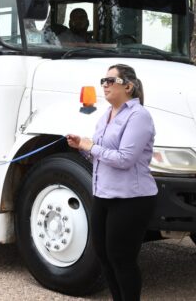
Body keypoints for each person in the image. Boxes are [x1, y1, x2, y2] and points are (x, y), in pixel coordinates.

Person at [66, 64, 157, 301]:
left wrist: (91, 146)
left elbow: (125, 159)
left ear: (128, 86)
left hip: (132, 198)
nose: (104, 85)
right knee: (104, 256)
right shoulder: (105, 115)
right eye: (103, 81)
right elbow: (100, 154)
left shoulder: (139, 116)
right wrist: (82, 147)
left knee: (121, 258)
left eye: (110, 80)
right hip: (104, 194)